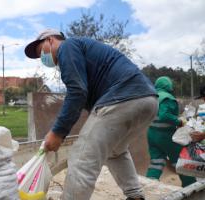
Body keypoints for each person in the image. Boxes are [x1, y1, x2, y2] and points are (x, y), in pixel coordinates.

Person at [24, 29, 158, 200]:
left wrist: (58, 132)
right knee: (115, 151)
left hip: (123, 97)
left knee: (82, 159)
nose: (42, 58)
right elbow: (84, 94)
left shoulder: (67, 47)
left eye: (41, 51)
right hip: (148, 100)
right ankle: (135, 195)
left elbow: (77, 92)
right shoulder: (80, 51)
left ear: (50, 40)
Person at [146, 76, 196, 187]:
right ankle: (190, 186)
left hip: (151, 134)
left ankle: (149, 184)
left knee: (156, 161)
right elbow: (164, 115)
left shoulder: (152, 97)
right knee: (180, 160)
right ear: (168, 85)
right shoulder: (168, 98)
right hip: (166, 135)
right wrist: (179, 121)